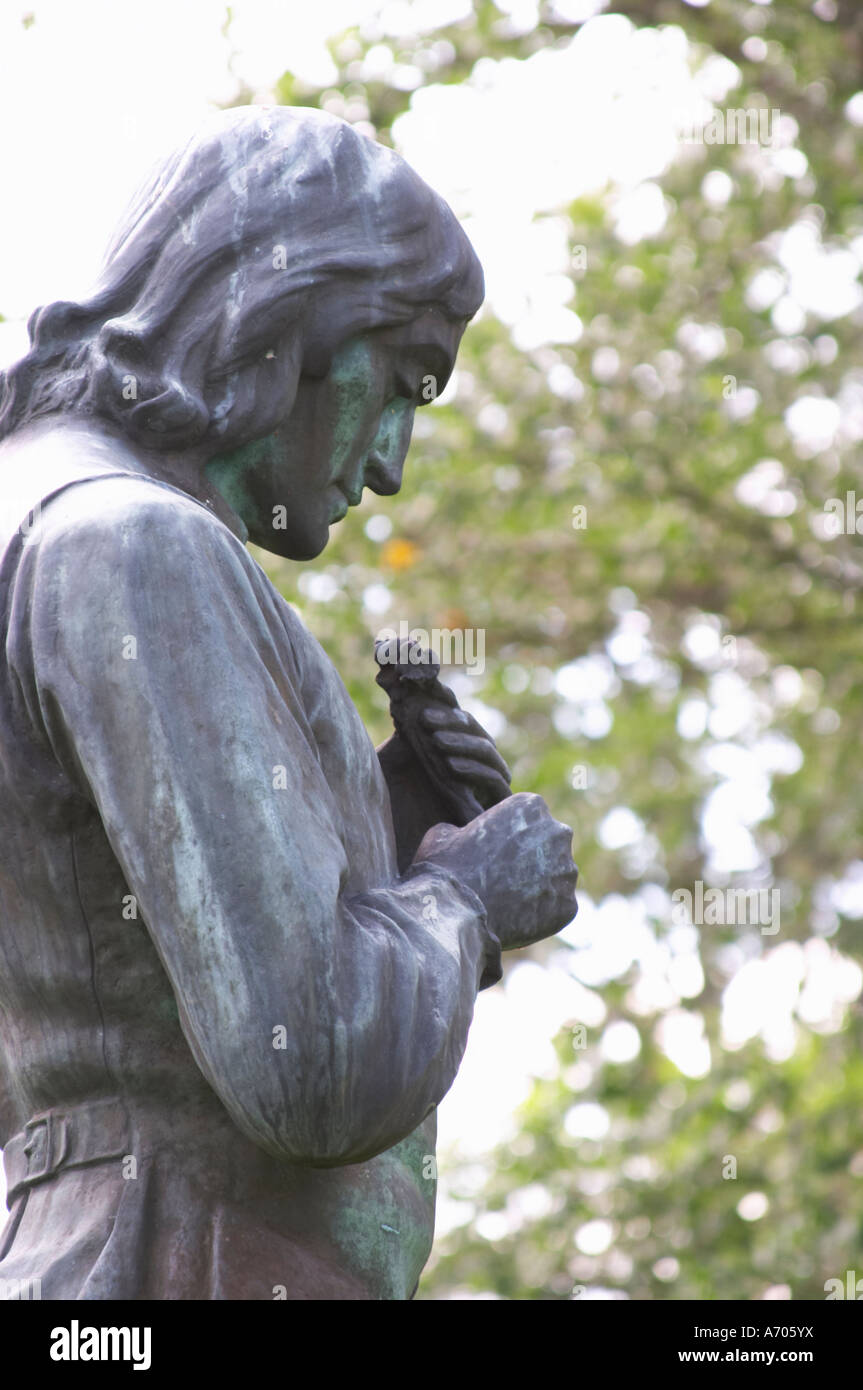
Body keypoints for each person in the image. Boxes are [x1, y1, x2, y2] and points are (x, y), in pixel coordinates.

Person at [0, 106, 577, 1300]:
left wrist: (376, 823)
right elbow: (305, 1064)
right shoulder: (136, 547)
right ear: (289, 319)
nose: (390, 463)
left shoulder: (43, 526)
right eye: (405, 382)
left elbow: (100, 963)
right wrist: (466, 896)